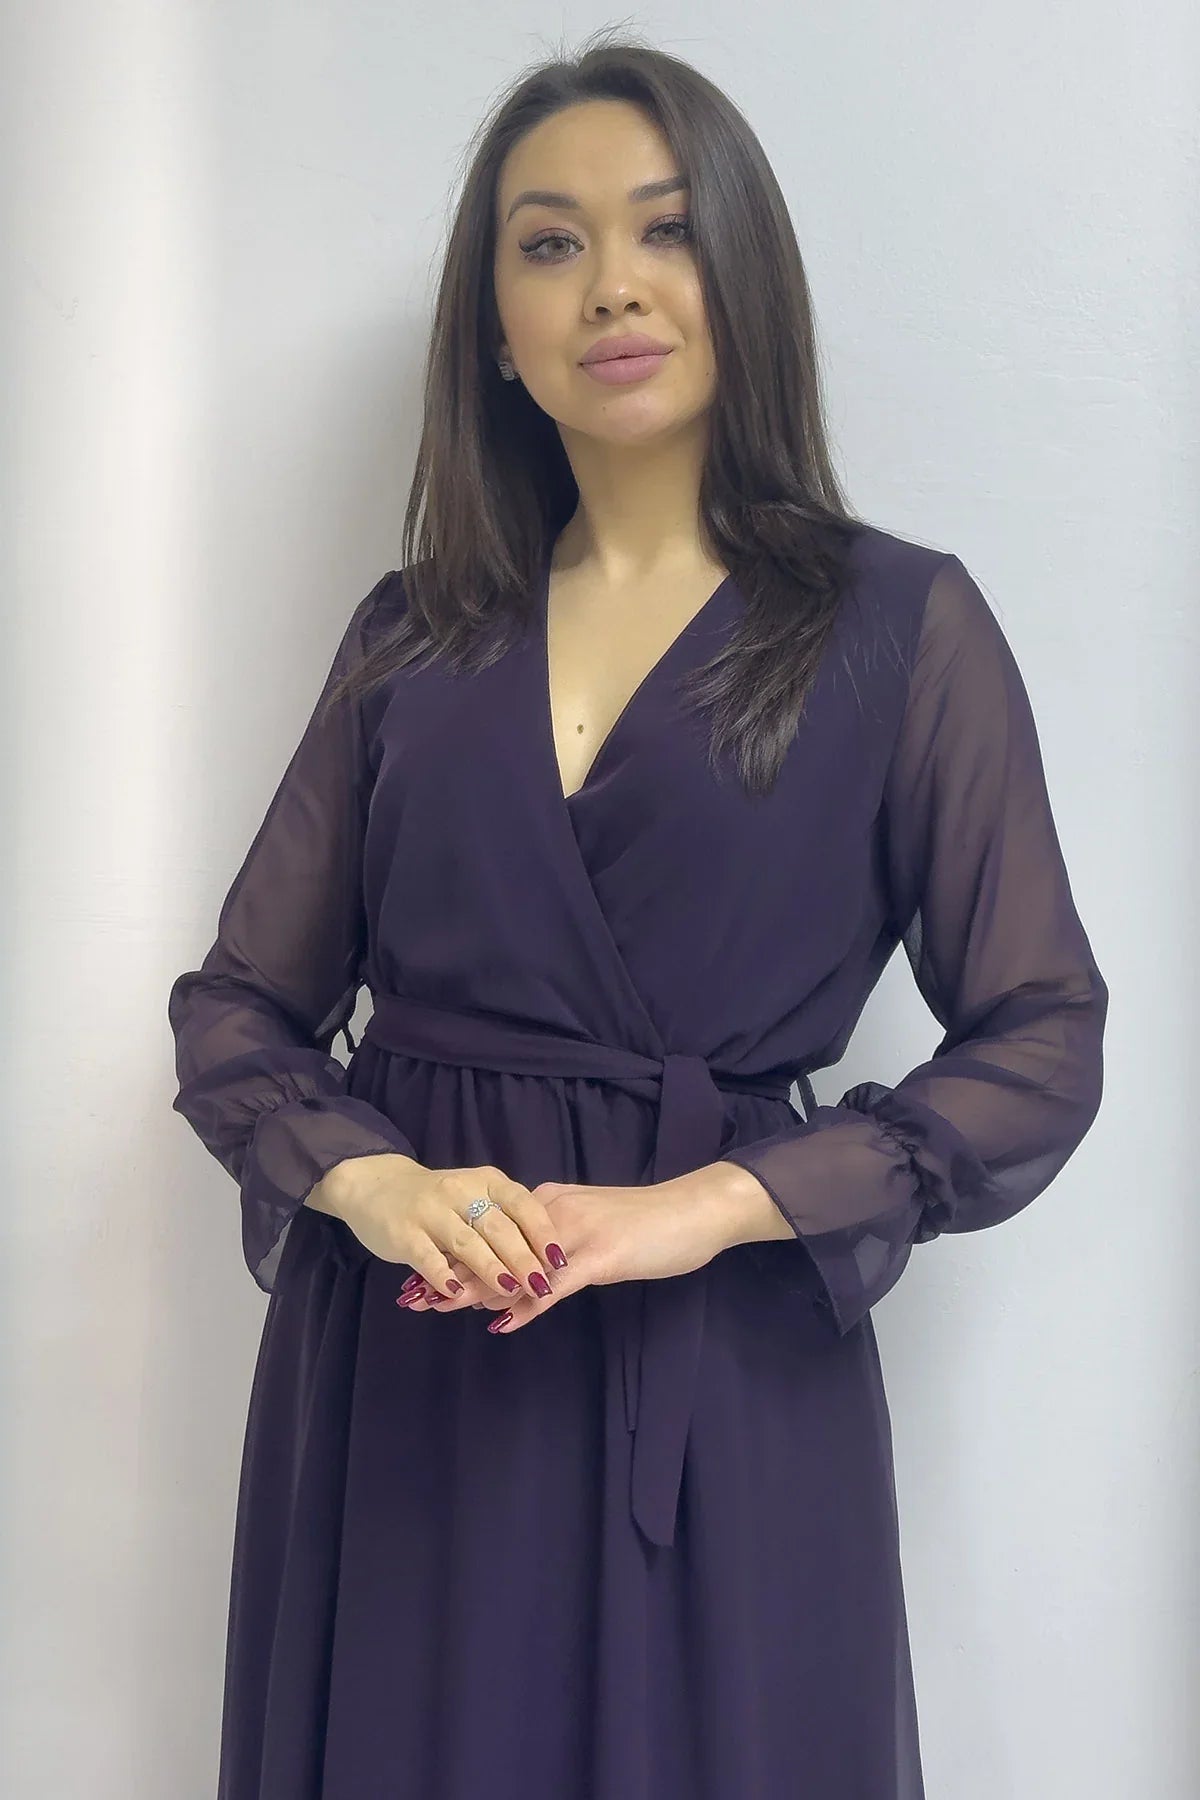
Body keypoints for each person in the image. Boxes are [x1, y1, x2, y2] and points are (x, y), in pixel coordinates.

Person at [167, 30, 1108, 1800]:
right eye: (551, 242)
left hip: (721, 1366)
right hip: (415, 1373)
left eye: (665, 228)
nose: (613, 283)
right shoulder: (410, 636)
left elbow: (1043, 1037)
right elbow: (238, 1007)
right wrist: (370, 1182)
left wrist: (717, 1207)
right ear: (495, 329)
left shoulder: (899, 630)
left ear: (742, 266)